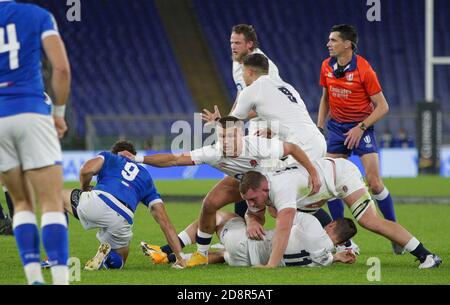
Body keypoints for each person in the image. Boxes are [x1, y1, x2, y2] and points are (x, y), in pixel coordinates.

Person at [120, 116, 331, 267]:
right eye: (222, 137)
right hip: (244, 183)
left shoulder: (259, 146)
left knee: (287, 214)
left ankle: (340, 240)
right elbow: (175, 159)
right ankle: (201, 254)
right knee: (210, 204)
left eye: (231, 136)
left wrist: (312, 171)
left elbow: (292, 148)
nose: (226, 142)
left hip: (273, 182)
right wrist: (138, 158)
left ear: (241, 135)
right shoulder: (213, 152)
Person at [239, 158, 442, 269]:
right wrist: (250, 221)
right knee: (277, 212)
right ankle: (344, 245)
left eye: (252, 199)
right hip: (317, 189)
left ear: (263, 188)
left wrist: (271, 264)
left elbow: (283, 229)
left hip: (341, 177)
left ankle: (427, 256)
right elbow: (255, 213)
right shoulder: (261, 188)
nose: (251, 203)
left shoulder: (280, 188)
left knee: (369, 221)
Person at [0, 0, 71, 285]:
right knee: (51, 202)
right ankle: (60, 280)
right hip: (31, 109)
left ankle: (33, 279)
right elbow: (61, 69)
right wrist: (59, 114)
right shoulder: (38, 15)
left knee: (20, 203)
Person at [316, 24, 401, 254]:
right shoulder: (326, 66)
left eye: (333, 40)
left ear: (347, 44)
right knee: (331, 184)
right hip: (335, 130)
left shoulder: (364, 70)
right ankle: (343, 241)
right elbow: (325, 99)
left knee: (373, 183)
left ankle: (395, 233)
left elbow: (383, 106)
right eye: (329, 40)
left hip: (361, 129)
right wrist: (320, 126)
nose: (328, 44)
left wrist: (360, 127)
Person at [62, 140, 186, 270]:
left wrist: (84, 189)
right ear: (134, 156)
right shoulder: (146, 178)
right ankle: (108, 258)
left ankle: (55, 258)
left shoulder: (110, 157)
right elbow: (165, 222)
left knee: (57, 197)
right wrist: (180, 257)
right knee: (119, 260)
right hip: (122, 219)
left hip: (99, 201)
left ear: (115, 153)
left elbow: (86, 170)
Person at [141, 210, 357, 268]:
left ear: (330, 225)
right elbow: (329, 256)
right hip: (247, 261)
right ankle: (175, 260)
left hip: (248, 243)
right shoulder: (325, 260)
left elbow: (277, 212)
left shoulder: (312, 224)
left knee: (217, 216)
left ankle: (165, 250)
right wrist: (339, 257)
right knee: (225, 255)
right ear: (339, 243)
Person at [229, 24, 284, 220]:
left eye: (237, 43)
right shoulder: (238, 63)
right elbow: (241, 95)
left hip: (268, 130)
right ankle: (243, 233)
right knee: (245, 176)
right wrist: (231, 120)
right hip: (253, 129)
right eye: (231, 42)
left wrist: (271, 128)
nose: (233, 46)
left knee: (273, 189)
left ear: (250, 44)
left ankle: (311, 233)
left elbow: (276, 100)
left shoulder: (265, 66)